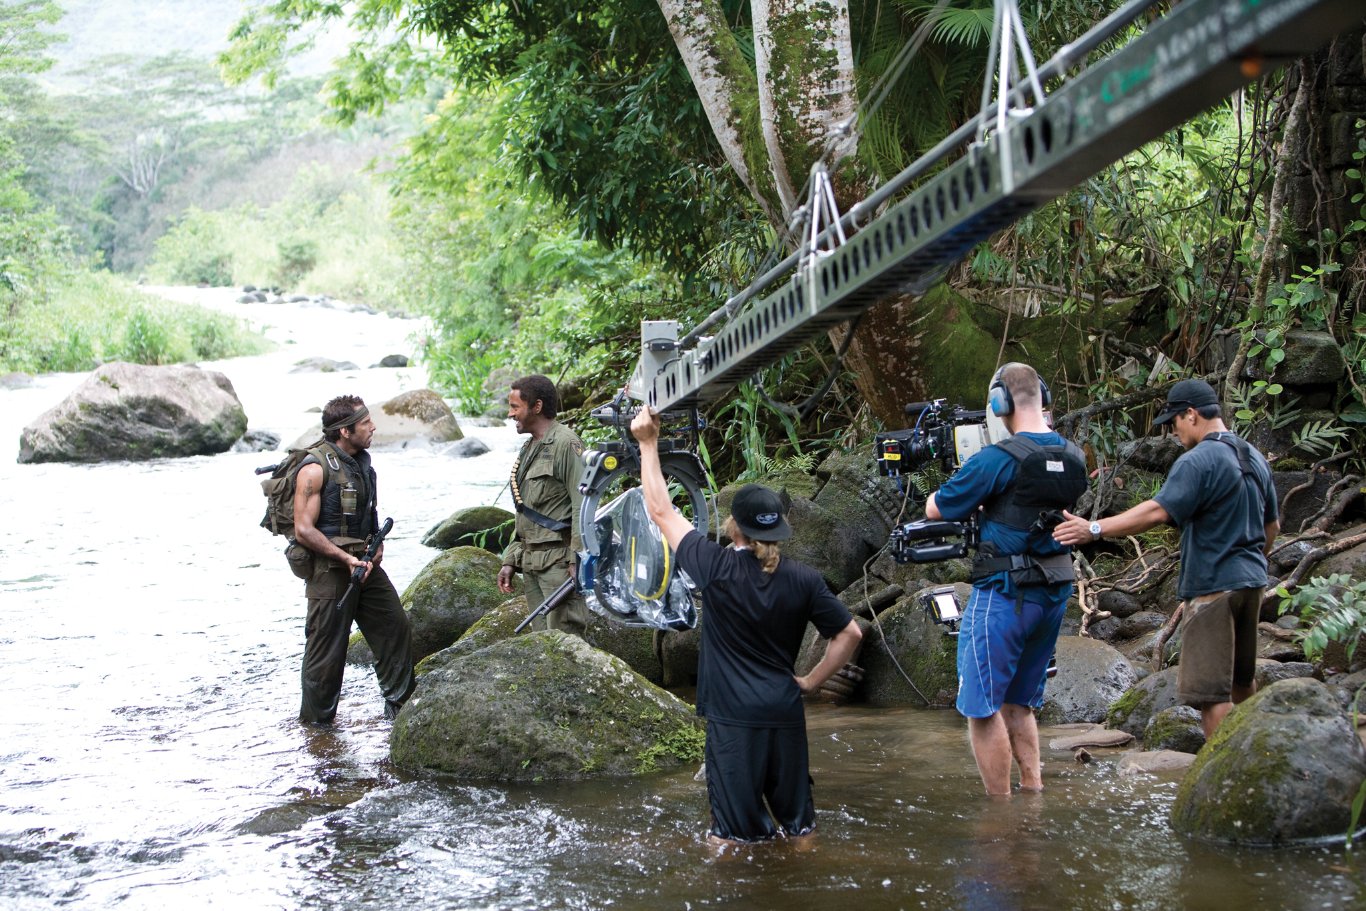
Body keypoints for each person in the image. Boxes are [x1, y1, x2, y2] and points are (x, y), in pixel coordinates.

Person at [630, 406, 862, 843]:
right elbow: (850, 634)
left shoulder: (714, 567)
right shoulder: (806, 579)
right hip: (785, 712)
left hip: (734, 721)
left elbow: (661, 510)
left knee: (732, 839)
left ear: (733, 526)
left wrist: (648, 443)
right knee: (800, 828)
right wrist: (810, 682)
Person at [1054, 378, 1278, 739]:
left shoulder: (1199, 460)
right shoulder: (1253, 456)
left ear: (1191, 414)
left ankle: (1219, 781)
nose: (1174, 432)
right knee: (1241, 681)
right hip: (1252, 582)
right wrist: (1253, 562)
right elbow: (1273, 526)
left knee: (1212, 695)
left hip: (1213, 588)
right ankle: (1257, 754)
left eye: (1174, 421)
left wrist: (1094, 529)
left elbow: (1156, 511)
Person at [924, 362, 1087, 797]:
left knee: (982, 708)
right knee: (1020, 703)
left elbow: (938, 510)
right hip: (1053, 591)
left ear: (1000, 403)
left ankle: (1000, 813)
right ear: (1043, 398)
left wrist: (935, 493)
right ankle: (1032, 794)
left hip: (1003, 593)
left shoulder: (995, 459)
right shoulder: (1074, 455)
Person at [292, 395, 415, 724]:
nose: (373, 427)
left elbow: (367, 511)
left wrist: (375, 546)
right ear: (345, 431)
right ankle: (317, 729)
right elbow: (303, 530)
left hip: (365, 565)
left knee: (395, 627)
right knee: (326, 654)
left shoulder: (362, 463)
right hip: (329, 571)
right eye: (365, 423)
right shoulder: (314, 469)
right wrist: (344, 558)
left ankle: (399, 714)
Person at [497, 375, 590, 637]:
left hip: (559, 567)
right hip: (532, 565)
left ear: (536, 407)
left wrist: (578, 561)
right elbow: (526, 512)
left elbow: (583, 505)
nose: (510, 413)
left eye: (515, 407)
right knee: (542, 646)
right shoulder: (529, 448)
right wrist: (511, 560)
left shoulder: (566, 444)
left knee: (566, 645)